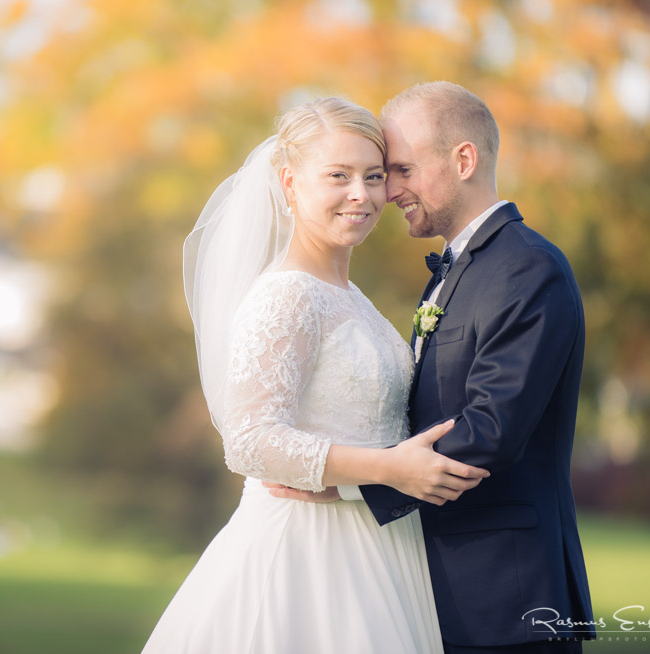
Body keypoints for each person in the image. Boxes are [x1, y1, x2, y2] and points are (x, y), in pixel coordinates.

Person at [142, 97, 489, 654]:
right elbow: (250, 442)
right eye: (338, 176)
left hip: (380, 547)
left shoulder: (350, 297)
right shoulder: (286, 296)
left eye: (374, 176)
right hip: (304, 553)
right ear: (289, 183)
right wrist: (385, 470)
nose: (362, 194)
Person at [268, 82, 596, 653]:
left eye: (400, 170)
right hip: (435, 585)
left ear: (463, 159)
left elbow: (490, 431)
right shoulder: (457, 268)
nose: (387, 191)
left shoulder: (526, 269)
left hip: (506, 596)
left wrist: (354, 484)